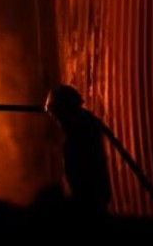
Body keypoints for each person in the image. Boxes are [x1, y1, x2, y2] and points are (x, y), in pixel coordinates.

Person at [44, 85, 112, 219]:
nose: (58, 122)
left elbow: (82, 184)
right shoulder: (88, 128)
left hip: (90, 209)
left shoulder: (78, 139)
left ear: (66, 112)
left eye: (58, 117)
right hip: (94, 204)